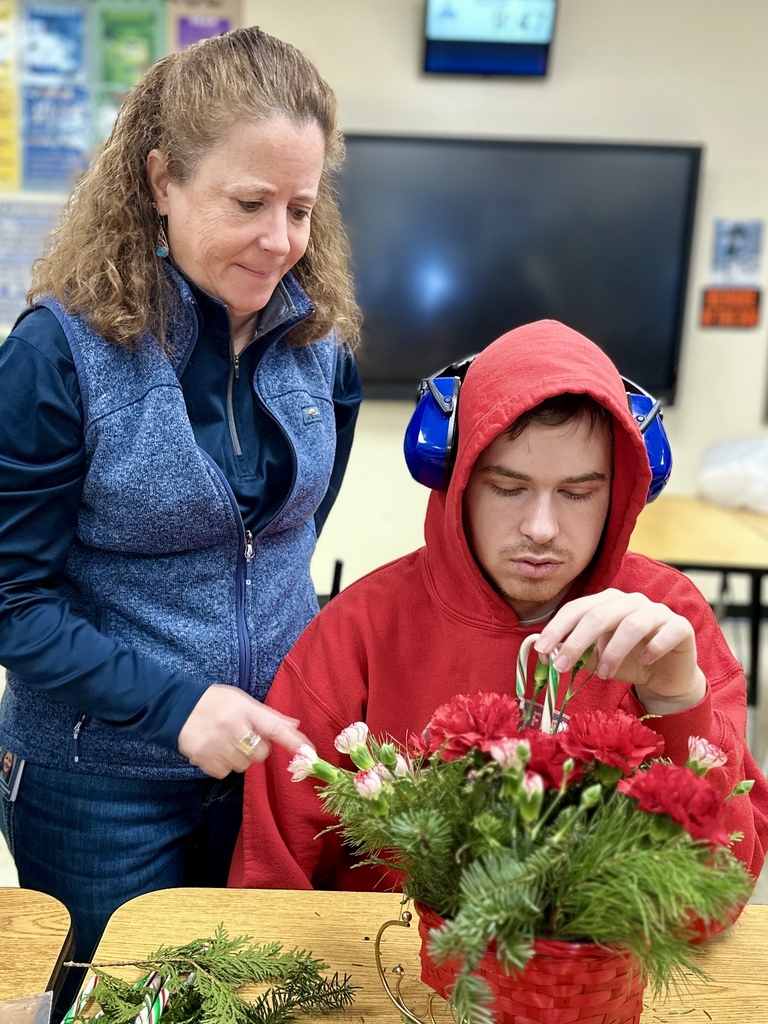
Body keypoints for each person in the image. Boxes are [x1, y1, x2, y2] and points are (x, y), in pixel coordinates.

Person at [0, 26, 361, 1018]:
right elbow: (12, 603)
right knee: (128, 1006)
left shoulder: (319, 352)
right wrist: (177, 703)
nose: (282, 239)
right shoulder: (59, 356)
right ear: (162, 181)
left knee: (256, 1000)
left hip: (265, 772)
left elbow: (288, 540)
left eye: (300, 206)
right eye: (249, 204)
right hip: (98, 781)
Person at [229, 319, 768, 892]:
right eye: (508, 489)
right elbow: (268, 883)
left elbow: (721, 892)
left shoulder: (669, 620)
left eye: (578, 493)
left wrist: (678, 702)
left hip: (598, 980)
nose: (541, 528)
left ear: (623, 489)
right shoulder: (359, 631)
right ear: (455, 478)